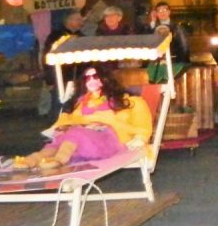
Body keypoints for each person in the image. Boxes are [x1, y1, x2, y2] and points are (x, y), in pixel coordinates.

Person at [18, 64, 152, 167]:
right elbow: (69, 120)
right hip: (80, 143)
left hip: (111, 141)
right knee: (63, 137)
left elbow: (143, 125)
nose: (91, 81)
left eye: (95, 77)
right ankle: (35, 158)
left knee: (76, 133)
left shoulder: (130, 102)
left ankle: (60, 159)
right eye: (88, 78)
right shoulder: (82, 102)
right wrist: (61, 127)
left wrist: (141, 137)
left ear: (106, 79)